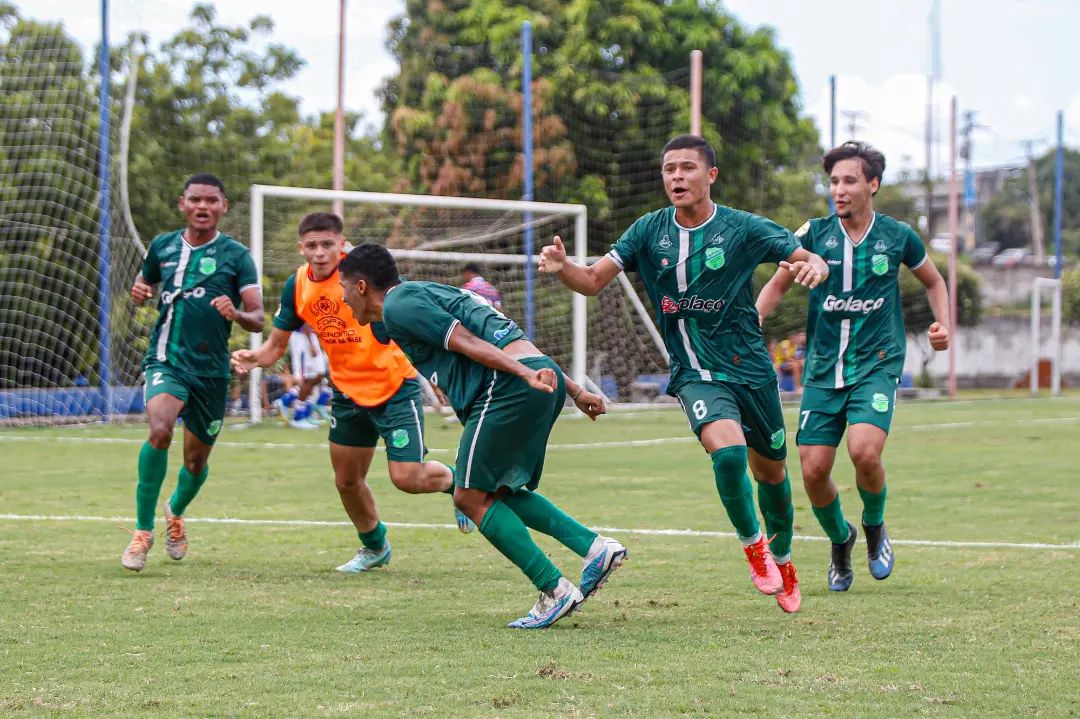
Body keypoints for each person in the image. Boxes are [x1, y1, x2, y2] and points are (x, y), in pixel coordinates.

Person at [539, 134, 830, 613]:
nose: (677, 176)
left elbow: (800, 255)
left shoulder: (742, 228)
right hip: (695, 371)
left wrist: (815, 263)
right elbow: (591, 281)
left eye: (688, 168)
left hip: (752, 371)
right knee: (729, 453)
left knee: (772, 474)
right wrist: (564, 266)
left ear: (710, 175)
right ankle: (754, 545)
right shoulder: (647, 231)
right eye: (670, 169)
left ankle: (783, 556)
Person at [338, 243, 627, 629]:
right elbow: (513, 342)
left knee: (469, 496)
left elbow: (468, 342)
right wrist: (573, 390)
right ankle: (595, 549)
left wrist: (523, 376)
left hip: (509, 386)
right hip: (537, 375)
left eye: (342, 287)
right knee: (499, 491)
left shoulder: (399, 303)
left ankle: (554, 590)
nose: (340, 297)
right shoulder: (421, 295)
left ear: (360, 286)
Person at [231, 212, 474, 574]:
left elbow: (408, 317)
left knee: (408, 478)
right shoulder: (297, 286)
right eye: (312, 246)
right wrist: (255, 358)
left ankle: (459, 483)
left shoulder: (363, 274)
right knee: (346, 480)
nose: (320, 252)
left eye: (328, 244)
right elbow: (275, 346)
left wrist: (435, 372)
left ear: (342, 244)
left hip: (394, 387)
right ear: (301, 249)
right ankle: (374, 547)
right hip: (346, 392)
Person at [756, 141, 950, 591]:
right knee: (813, 470)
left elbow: (935, 281)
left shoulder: (897, 236)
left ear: (872, 184)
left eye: (848, 181)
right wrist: (754, 321)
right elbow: (778, 285)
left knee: (864, 451)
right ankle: (840, 540)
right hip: (823, 371)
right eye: (834, 182)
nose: (838, 190)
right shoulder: (813, 234)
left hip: (877, 366)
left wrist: (942, 326)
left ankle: (875, 526)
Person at [122, 173, 264, 572]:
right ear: (182, 203)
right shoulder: (162, 246)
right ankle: (142, 532)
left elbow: (258, 317)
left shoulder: (236, 256)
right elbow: (143, 282)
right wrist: (139, 291)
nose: (203, 207)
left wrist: (235, 313)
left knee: (196, 462)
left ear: (223, 206)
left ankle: (175, 512)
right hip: (166, 360)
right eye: (196, 200)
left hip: (212, 372)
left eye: (212, 201)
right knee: (160, 428)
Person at [274, 324, 331, 428]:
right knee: (305, 378)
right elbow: (305, 318)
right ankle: (298, 418)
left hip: (311, 336)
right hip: (302, 337)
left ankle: (290, 401)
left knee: (319, 375)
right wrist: (311, 343)